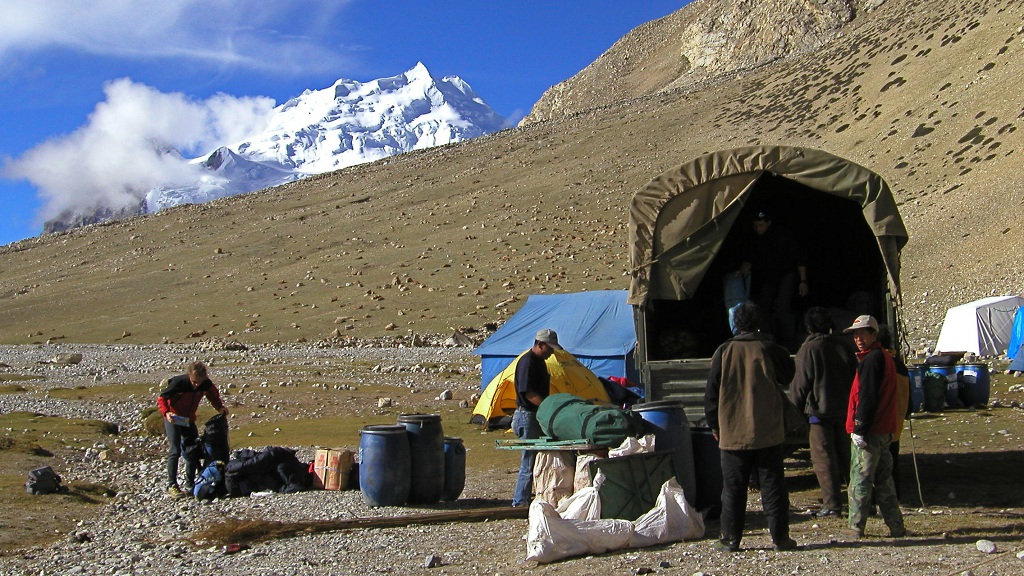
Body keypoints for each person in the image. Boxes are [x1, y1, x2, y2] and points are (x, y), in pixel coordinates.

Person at [705, 301, 798, 552]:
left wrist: (714, 425)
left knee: (733, 489)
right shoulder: (769, 348)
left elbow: (711, 393)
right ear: (758, 323)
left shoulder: (723, 351)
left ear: (736, 324)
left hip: (732, 432)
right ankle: (781, 539)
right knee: (773, 486)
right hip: (768, 431)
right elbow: (788, 375)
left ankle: (730, 540)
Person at [841, 315, 906, 539]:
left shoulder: (870, 360)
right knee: (884, 480)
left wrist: (859, 428)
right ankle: (896, 526)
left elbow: (866, 398)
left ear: (874, 334)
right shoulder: (885, 357)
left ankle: (855, 527)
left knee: (860, 479)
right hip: (884, 429)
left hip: (870, 431)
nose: (858, 338)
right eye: (855, 334)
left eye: (863, 333)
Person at [789, 307, 858, 517]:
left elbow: (800, 386)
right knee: (849, 459)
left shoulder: (808, 350)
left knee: (824, 461)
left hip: (819, 415)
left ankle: (832, 505)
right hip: (845, 412)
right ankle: (861, 502)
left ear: (809, 327)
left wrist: (792, 416)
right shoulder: (843, 346)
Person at [736, 210, 807, 350]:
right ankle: (767, 341)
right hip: (768, 278)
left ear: (768, 223)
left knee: (783, 309)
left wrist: (803, 281)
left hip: (786, 275)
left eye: (761, 225)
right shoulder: (755, 239)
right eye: (755, 226)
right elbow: (749, 260)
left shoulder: (782, 235)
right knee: (763, 309)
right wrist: (739, 274)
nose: (758, 228)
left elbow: (799, 259)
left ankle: (789, 344)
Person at [157, 361, 229, 498]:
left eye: (199, 383)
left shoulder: (206, 384)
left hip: (188, 420)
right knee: (175, 450)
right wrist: (166, 412)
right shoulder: (179, 383)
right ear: (189, 376)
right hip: (173, 418)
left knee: (192, 450)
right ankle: (172, 485)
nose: (196, 385)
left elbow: (213, 396)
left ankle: (189, 485)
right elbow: (162, 398)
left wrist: (220, 407)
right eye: (194, 382)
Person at [510, 329, 558, 507]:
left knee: (537, 459)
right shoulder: (528, 362)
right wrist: (547, 408)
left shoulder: (540, 362)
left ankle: (536, 498)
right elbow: (529, 393)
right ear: (540, 344)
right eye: (549, 348)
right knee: (529, 461)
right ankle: (520, 502)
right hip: (527, 415)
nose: (551, 352)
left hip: (535, 415)